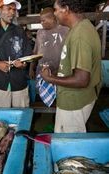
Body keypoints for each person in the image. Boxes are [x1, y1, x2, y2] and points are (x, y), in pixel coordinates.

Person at [40, 0, 102, 133]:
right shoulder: (83, 27)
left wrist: (50, 78)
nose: (55, 13)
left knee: (68, 146)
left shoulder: (80, 35)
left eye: (56, 10)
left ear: (66, 9)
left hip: (73, 104)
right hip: (78, 99)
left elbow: (81, 79)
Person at [29, 7, 68, 79]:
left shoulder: (65, 30)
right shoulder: (40, 33)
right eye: (41, 21)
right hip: (42, 72)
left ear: (53, 19)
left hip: (61, 73)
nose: (41, 23)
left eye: (43, 21)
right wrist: (31, 69)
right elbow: (35, 52)